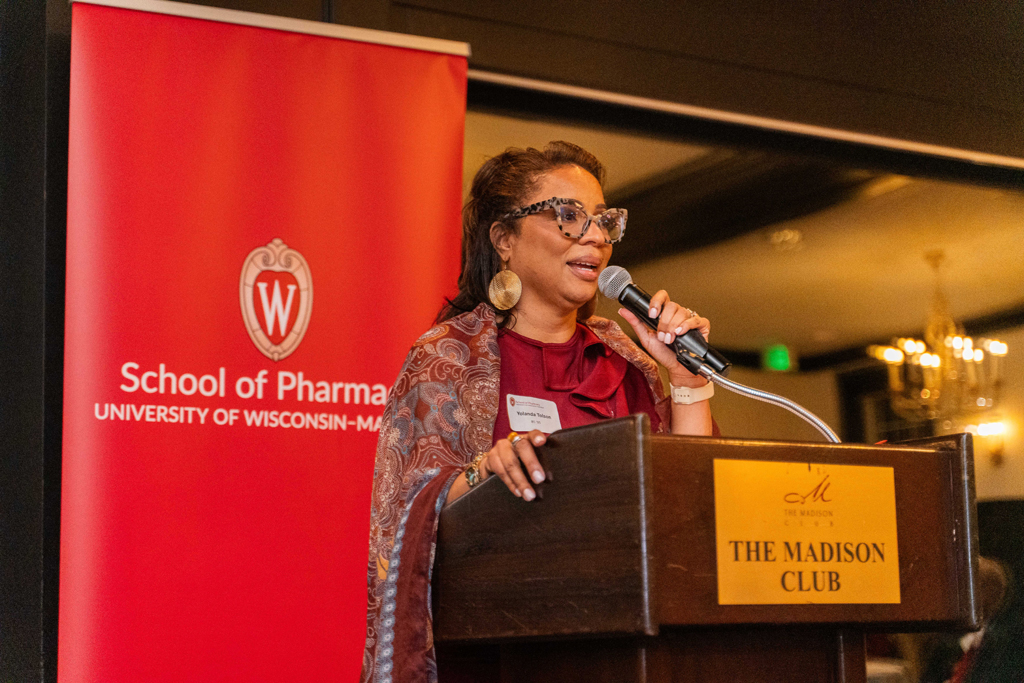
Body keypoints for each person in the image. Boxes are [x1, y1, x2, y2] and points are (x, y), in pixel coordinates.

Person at [361, 141, 717, 683]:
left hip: (630, 652)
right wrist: (484, 473)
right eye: (570, 216)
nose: (595, 236)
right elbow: (403, 517)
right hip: (502, 656)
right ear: (504, 239)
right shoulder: (449, 357)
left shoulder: (628, 361)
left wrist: (689, 381)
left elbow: (693, 508)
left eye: (602, 220)